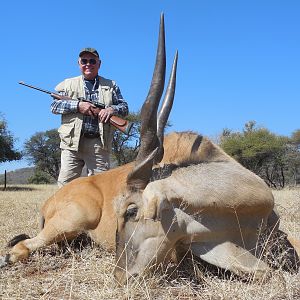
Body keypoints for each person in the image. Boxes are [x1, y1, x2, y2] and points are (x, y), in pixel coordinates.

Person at [51, 47, 128, 187]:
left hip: (98, 144)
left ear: (99, 64)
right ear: (78, 63)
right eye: (84, 61)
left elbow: (124, 108)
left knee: (101, 187)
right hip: (71, 144)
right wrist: (78, 106)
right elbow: (54, 107)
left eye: (92, 61)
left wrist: (111, 110)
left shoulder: (111, 85)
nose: (88, 64)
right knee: (65, 186)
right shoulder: (68, 83)